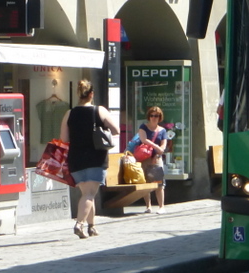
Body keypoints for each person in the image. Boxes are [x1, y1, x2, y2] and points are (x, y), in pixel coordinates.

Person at [60, 80, 119, 238]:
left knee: (87, 193)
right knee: (89, 194)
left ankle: (92, 227)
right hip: (96, 158)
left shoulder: (69, 113)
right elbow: (116, 130)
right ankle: (79, 224)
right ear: (91, 94)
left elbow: (63, 139)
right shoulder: (99, 110)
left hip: (76, 159)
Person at [131, 106, 169, 213]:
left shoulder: (162, 130)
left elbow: (163, 146)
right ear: (149, 116)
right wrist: (156, 147)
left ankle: (161, 206)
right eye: (152, 115)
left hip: (156, 158)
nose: (154, 118)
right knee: (145, 182)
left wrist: (158, 152)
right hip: (144, 158)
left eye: (156, 116)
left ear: (160, 117)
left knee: (159, 183)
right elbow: (143, 139)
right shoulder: (143, 127)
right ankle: (148, 206)